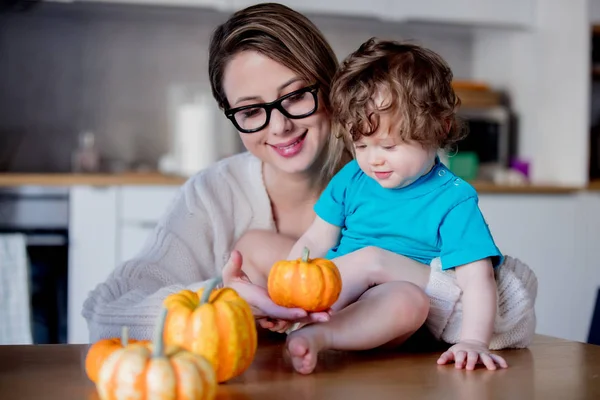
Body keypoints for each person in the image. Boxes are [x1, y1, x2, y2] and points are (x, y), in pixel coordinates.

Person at [81, 3, 428, 347]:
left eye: (294, 96)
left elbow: (476, 313)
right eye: (250, 110)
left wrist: (378, 265)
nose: (280, 126)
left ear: (329, 86)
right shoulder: (214, 193)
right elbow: (104, 315)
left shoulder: (395, 176)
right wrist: (219, 300)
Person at [269, 38, 538, 374]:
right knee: (293, 264)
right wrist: (288, 293)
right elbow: (314, 241)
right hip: (335, 291)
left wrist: (473, 341)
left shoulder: (453, 198)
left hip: (388, 310)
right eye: (362, 144)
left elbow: (477, 278)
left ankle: (318, 335)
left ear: (438, 129)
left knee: (409, 302)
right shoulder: (352, 177)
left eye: (388, 145)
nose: (373, 160)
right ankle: (294, 316)